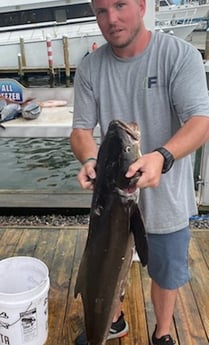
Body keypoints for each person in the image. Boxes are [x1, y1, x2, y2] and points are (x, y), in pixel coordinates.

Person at [70, 0, 209, 344]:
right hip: (111, 195)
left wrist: (162, 156)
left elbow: (201, 122)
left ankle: (162, 333)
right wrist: (90, 160)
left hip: (166, 193)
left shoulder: (179, 55)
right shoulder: (91, 67)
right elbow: (81, 130)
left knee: (165, 270)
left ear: (142, 5)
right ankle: (111, 320)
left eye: (120, 5)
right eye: (101, 10)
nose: (111, 18)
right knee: (104, 264)